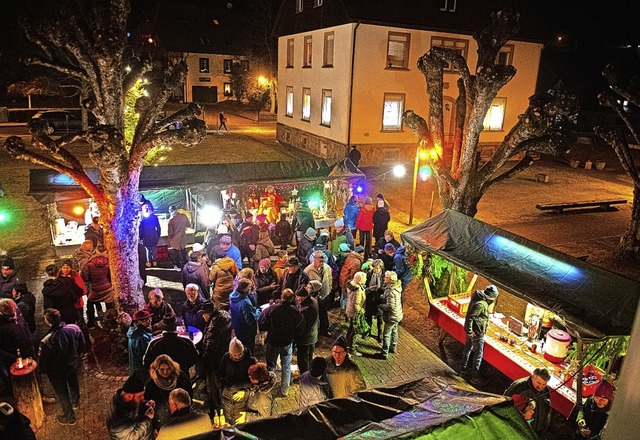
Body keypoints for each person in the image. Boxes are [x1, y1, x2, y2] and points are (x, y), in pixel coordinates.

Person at [38, 308, 85, 426]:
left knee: (62, 393)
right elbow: (82, 345)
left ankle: (70, 417)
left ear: (48, 322)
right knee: (73, 382)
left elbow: (43, 361)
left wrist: (42, 370)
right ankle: (75, 402)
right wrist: (75, 357)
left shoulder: (46, 341)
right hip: (72, 365)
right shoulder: (74, 328)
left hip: (57, 372)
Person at [259, 288, 304, 397]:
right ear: (292, 298)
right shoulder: (295, 312)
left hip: (273, 342)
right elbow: (300, 327)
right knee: (286, 367)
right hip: (287, 343)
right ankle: (284, 390)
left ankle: (270, 388)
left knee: (271, 366)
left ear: (281, 297)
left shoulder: (271, 309)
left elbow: (261, 323)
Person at [200, 302, 232, 420]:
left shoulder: (213, 328)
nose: (203, 317)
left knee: (214, 388)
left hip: (214, 362)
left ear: (208, 314)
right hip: (223, 358)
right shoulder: (225, 316)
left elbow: (209, 348)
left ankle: (216, 412)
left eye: (203, 314)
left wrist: (205, 363)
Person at [460, 285, 499, 380]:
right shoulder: (482, 304)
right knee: (478, 354)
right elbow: (470, 317)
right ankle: (474, 376)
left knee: (468, 348)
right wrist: (470, 331)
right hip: (476, 332)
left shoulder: (479, 297)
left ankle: (463, 368)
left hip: (473, 330)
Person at [144, 354, 191, 429]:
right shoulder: (151, 384)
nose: (165, 372)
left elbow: (188, 395)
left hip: (181, 415)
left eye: (168, 369)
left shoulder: (180, 377)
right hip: (162, 419)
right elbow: (149, 404)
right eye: (162, 369)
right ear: (156, 369)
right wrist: (154, 427)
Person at [218, 338, 257, 426]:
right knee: (227, 418)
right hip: (228, 394)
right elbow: (220, 373)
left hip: (242, 396)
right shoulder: (226, 357)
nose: (237, 357)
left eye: (239, 354)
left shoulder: (250, 360)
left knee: (239, 422)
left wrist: (245, 391)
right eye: (234, 355)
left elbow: (254, 382)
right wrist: (225, 382)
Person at [504, 368, 552, 437]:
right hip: (519, 431)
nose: (541, 387)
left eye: (544, 384)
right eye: (538, 383)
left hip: (536, 432)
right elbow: (504, 405)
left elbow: (547, 411)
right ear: (532, 377)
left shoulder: (545, 390)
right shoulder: (519, 387)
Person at [106, 374, 155, 440]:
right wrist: (147, 418)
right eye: (140, 396)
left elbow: (135, 406)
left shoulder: (127, 400)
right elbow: (131, 437)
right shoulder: (118, 416)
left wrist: (145, 404)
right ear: (129, 396)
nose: (143, 398)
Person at [81, 246, 114, 329]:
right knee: (109, 305)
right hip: (107, 288)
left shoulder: (89, 264)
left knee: (90, 304)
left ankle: (91, 322)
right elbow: (111, 276)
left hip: (95, 288)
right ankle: (111, 321)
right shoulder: (109, 262)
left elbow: (85, 278)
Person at [0, 299, 34, 377]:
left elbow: (25, 326)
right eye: (13, 308)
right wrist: (14, 358)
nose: (16, 310)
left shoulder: (17, 313)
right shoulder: (2, 326)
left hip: (28, 353)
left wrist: (30, 344)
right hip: (15, 362)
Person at [304, 251, 333, 337]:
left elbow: (330, 279)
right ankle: (314, 332)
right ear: (314, 260)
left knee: (323, 313)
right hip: (314, 297)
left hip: (324, 294)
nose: (321, 263)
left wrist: (329, 289)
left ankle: (324, 329)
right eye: (319, 261)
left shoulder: (327, 268)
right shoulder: (308, 270)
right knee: (314, 314)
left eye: (322, 261)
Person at [229, 278, 261, 354]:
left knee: (241, 347)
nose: (250, 289)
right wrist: (258, 311)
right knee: (248, 350)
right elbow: (251, 319)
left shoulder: (232, 296)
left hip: (237, 327)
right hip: (247, 330)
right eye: (249, 287)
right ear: (244, 288)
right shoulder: (244, 302)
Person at [376, 271, 403, 360]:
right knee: (395, 331)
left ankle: (384, 353)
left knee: (386, 334)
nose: (384, 278)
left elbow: (389, 306)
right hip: (397, 314)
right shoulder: (396, 287)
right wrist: (382, 297)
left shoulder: (391, 291)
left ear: (390, 279)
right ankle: (393, 348)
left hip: (391, 316)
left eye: (385, 277)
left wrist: (380, 306)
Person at [295, 283, 319, 374]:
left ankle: (304, 377)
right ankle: (309, 374)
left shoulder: (307, 309)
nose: (297, 299)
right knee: (309, 357)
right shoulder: (313, 300)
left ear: (304, 296)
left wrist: (296, 335)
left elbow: (302, 326)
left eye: (298, 297)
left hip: (305, 338)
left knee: (303, 359)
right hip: (312, 335)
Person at [345, 273, 368, 355]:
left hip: (350, 311)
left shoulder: (353, 285)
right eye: (365, 278)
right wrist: (360, 311)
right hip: (354, 313)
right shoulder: (357, 290)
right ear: (360, 279)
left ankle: (347, 344)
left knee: (350, 329)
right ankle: (352, 349)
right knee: (354, 331)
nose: (366, 279)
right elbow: (356, 304)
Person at [127, 309, 153, 379]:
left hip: (135, 368)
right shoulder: (141, 337)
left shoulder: (132, 332)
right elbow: (147, 354)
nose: (150, 320)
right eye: (147, 319)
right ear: (139, 322)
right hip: (142, 370)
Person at [364, 259, 385, 343]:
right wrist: (370, 289)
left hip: (379, 300)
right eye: (374, 268)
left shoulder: (384, 276)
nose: (375, 270)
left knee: (380, 319)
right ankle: (367, 332)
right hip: (370, 298)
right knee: (368, 317)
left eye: (377, 268)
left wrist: (380, 289)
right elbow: (365, 285)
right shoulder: (369, 274)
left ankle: (380, 335)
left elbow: (385, 287)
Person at [339, 245, 365, 312]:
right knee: (347, 296)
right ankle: (345, 310)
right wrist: (352, 283)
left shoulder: (350, 256)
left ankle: (342, 308)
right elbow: (353, 274)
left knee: (343, 295)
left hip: (343, 277)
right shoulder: (357, 262)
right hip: (347, 280)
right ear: (360, 253)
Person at [168, 205, 191, 270]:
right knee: (183, 251)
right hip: (183, 237)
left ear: (171, 212)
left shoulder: (171, 220)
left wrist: (170, 240)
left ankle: (178, 266)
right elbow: (188, 225)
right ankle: (187, 264)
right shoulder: (184, 216)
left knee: (176, 252)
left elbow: (170, 232)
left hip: (175, 239)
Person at [139, 203, 161, 268]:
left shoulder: (142, 219)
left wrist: (141, 237)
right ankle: (155, 262)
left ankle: (149, 262)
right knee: (154, 249)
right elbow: (158, 227)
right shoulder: (154, 217)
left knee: (148, 250)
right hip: (154, 235)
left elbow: (141, 230)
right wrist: (158, 235)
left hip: (146, 237)